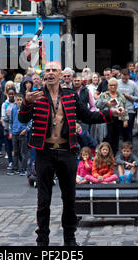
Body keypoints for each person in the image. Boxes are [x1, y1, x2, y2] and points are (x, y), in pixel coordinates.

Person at [18, 61, 124, 247]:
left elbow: (88, 116)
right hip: (44, 152)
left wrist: (111, 112)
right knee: (43, 200)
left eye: (54, 70)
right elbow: (22, 118)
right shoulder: (36, 95)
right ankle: (42, 241)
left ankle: (70, 239)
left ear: (60, 74)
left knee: (69, 198)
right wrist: (26, 103)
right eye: (47, 70)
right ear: (44, 75)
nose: (50, 73)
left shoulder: (69, 95)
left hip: (67, 151)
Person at [96, 78, 128, 156]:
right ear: (108, 86)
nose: (113, 87)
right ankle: (106, 156)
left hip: (118, 119)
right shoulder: (103, 95)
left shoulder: (121, 95)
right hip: (106, 119)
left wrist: (125, 120)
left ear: (117, 86)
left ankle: (114, 155)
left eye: (114, 85)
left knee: (116, 138)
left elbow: (125, 107)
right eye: (111, 85)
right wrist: (105, 103)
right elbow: (97, 104)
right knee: (107, 138)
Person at [7, 93, 31, 176]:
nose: (19, 101)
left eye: (21, 100)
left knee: (23, 152)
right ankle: (15, 168)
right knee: (15, 152)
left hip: (22, 133)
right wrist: (10, 132)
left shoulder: (26, 109)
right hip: (15, 133)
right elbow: (11, 121)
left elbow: (30, 121)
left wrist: (26, 130)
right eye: (18, 100)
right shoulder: (13, 109)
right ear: (15, 100)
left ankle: (23, 169)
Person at [117, 68, 138, 143]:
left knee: (128, 130)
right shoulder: (117, 83)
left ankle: (129, 149)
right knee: (119, 131)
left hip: (129, 110)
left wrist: (129, 97)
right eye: (123, 78)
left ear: (129, 76)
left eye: (126, 78)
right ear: (120, 76)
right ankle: (121, 149)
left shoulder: (133, 84)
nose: (124, 80)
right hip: (118, 110)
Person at [1, 87, 17, 170]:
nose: (11, 96)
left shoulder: (17, 103)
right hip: (7, 128)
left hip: (16, 128)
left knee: (17, 146)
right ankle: (10, 161)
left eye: (13, 94)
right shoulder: (5, 104)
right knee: (8, 146)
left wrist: (10, 115)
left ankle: (17, 162)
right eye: (9, 94)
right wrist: (12, 116)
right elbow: (4, 117)